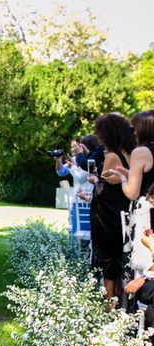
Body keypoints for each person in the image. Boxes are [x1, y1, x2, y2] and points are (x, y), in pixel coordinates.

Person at [104, 110, 154, 304]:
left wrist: (123, 178)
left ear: (142, 129)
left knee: (143, 257)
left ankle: (134, 307)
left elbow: (132, 192)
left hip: (146, 211)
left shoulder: (140, 151)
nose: (132, 132)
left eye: (134, 128)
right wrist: (129, 171)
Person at [86, 113, 134, 302]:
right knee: (120, 258)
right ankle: (120, 300)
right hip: (124, 211)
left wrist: (95, 180)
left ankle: (109, 301)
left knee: (108, 258)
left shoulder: (112, 155)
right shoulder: (128, 152)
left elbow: (103, 189)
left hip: (107, 217)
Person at [54, 136, 96, 233]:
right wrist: (58, 161)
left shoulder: (90, 160)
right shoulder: (75, 159)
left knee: (85, 233)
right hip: (76, 201)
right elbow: (61, 172)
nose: (72, 149)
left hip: (87, 202)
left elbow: (81, 178)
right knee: (75, 231)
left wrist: (73, 166)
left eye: (75, 146)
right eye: (71, 147)